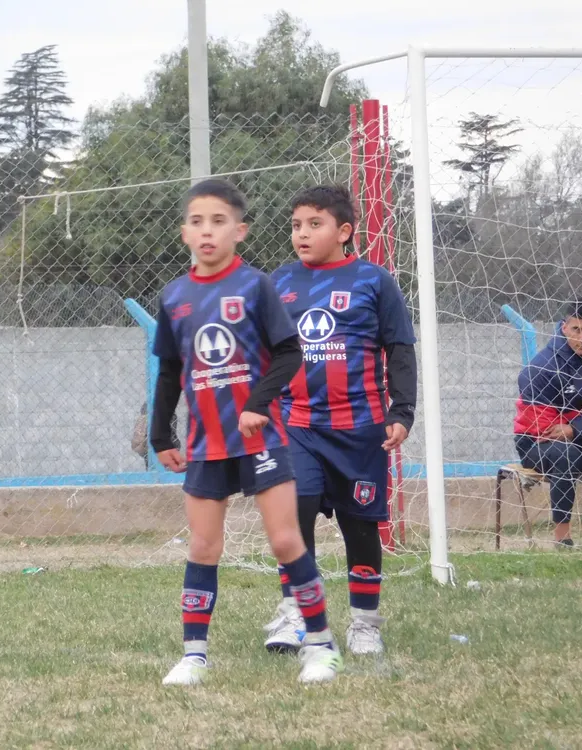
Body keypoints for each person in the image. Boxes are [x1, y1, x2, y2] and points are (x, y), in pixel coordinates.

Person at [150, 178, 343, 686]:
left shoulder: (256, 286)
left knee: (284, 540)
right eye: (197, 222)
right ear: (184, 233)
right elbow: (170, 370)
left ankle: (321, 646)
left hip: (261, 438)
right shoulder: (173, 297)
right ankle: (194, 656)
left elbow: (289, 352)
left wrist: (259, 405)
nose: (207, 231)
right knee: (203, 547)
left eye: (218, 221)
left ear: (241, 231)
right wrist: (160, 436)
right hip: (205, 443)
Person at [262, 185, 417, 657]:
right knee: (295, 518)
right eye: (295, 225)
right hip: (299, 426)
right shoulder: (280, 284)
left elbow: (400, 349)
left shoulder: (374, 281)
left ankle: (365, 623)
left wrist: (402, 411)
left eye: (315, 224)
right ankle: (296, 614)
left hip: (360, 431)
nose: (302, 233)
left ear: (344, 231)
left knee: (361, 527)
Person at [513, 299, 582, 547]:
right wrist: (577, 426)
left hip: (577, 436)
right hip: (535, 443)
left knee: (573, 448)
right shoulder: (540, 368)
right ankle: (562, 538)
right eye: (577, 330)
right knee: (567, 454)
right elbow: (545, 429)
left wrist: (573, 427)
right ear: (564, 327)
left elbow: (566, 429)